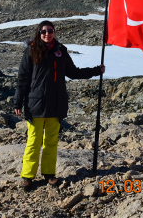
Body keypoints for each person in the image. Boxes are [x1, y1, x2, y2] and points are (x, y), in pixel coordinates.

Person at [13, 20, 105, 191]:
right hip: (36, 105)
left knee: (51, 141)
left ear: (54, 32)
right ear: (38, 33)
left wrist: (95, 70)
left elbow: (74, 72)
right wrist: (17, 101)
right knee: (33, 141)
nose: (47, 34)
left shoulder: (60, 52)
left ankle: (49, 174)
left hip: (56, 104)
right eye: (43, 31)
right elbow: (23, 79)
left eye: (50, 31)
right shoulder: (31, 51)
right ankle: (27, 176)